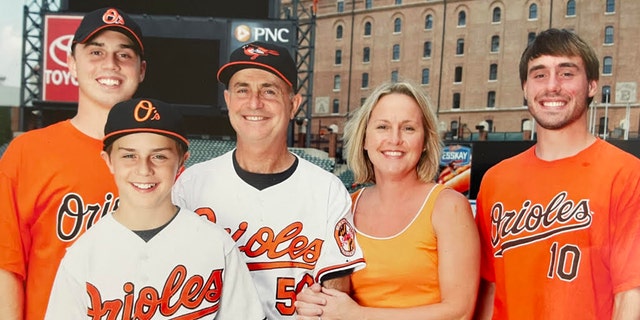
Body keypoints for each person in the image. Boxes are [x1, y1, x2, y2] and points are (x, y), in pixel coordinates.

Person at [172, 41, 366, 319]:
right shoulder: (191, 186)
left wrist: (322, 305)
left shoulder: (326, 190)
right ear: (228, 101)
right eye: (242, 90)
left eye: (269, 90)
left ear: (293, 104)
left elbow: (335, 293)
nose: (254, 102)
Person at [44, 98, 265, 319]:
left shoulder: (217, 245)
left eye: (159, 156)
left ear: (181, 162)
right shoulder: (82, 256)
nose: (144, 169)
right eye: (129, 156)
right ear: (108, 160)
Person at [474, 28, 640, 320]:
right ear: (525, 88)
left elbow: (630, 295)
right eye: (539, 74)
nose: (552, 86)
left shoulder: (627, 175)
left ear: (591, 85)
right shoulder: (495, 181)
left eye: (566, 73)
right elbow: (489, 289)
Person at [0, 7, 146, 319]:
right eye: (96, 52)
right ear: (71, 64)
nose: (110, 64)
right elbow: (6, 268)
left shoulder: (162, 164)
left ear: (141, 70)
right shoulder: (27, 151)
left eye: (124, 55)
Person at [294, 81, 480, 320]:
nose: (395, 139)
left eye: (408, 128)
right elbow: (334, 297)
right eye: (382, 127)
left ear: (424, 142)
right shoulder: (345, 207)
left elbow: (459, 312)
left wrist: (359, 316)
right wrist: (314, 303)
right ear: (364, 139)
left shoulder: (448, 207)